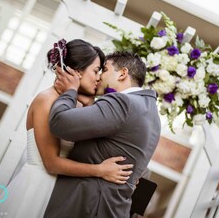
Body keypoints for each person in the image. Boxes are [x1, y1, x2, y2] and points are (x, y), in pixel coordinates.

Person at [0, 40, 133, 218]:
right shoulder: (46, 100)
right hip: (36, 189)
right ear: (77, 71)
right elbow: (51, 163)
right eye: (96, 71)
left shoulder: (78, 104)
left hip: (60, 191)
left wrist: (89, 103)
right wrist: (101, 170)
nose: (98, 78)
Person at [44, 51, 161, 218]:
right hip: (111, 207)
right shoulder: (151, 113)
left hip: (87, 205)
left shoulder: (123, 102)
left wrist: (69, 91)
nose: (99, 77)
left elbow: (59, 123)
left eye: (104, 70)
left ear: (122, 73)